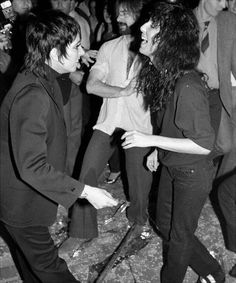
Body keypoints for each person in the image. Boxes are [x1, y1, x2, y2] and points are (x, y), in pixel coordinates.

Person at [0, 10, 117, 283]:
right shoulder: (32, 96)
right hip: (19, 202)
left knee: (31, 264)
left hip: (22, 197)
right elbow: (31, 167)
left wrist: (77, 57)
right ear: (53, 53)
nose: (81, 51)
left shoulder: (41, 72)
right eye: (76, 46)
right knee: (51, 269)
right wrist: (86, 191)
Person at [121, 2, 225, 283]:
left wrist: (149, 139)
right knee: (165, 223)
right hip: (172, 163)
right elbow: (172, 123)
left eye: (151, 25)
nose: (141, 27)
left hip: (193, 171)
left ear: (169, 39)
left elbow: (204, 144)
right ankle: (213, 271)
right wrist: (159, 147)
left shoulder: (187, 85)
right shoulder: (164, 74)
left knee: (178, 238)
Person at [59, 0, 153, 255]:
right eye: (117, 12)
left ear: (141, 15)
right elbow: (91, 85)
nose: (118, 17)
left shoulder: (153, 49)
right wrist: (121, 90)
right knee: (86, 172)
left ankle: (139, 220)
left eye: (125, 13)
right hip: (108, 123)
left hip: (140, 128)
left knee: (139, 182)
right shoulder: (109, 47)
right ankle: (81, 231)